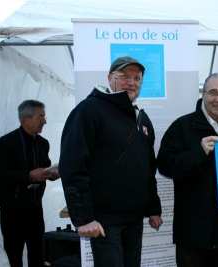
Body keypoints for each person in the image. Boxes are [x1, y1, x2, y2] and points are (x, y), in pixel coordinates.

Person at [59, 56, 162, 267]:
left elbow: (147, 168)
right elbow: (73, 167)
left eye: (137, 78)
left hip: (135, 220)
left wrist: (153, 209)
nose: (131, 82)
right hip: (105, 222)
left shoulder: (142, 119)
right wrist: (83, 218)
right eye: (124, 76)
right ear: (110, 78)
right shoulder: (88, 111)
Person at [156, 73, 218, 267]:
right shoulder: (182, 126)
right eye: (213, 93)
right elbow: (164, 165)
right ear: (203, 93)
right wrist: (198, 153)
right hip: (192, 231)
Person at [0, 100, 60, 267]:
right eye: (40, 117)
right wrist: (28, 175)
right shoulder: (5, 143)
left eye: (44, 117)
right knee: (14, 253)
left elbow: (45, 165)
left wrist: (52, 174)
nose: (45, 121)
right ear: (25, 119)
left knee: (38, 253)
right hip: (12, 209)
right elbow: (2, 175)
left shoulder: (43, 143)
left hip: (35, 207)